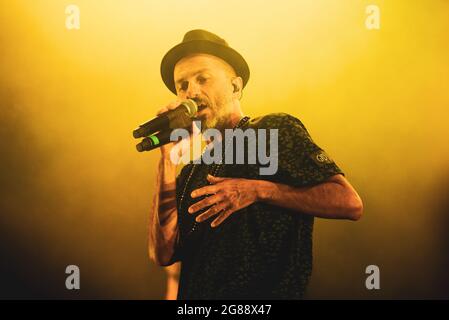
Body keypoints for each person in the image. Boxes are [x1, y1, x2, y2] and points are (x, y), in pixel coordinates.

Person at [148, 29, 363, 299]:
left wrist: (259, 190)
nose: (191, 91)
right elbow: (162, 253)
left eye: (202, 78)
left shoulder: (273, 129)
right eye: (183, 85)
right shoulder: (191, 172)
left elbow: (349, 202)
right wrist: (166, 160)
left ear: (235, 86)